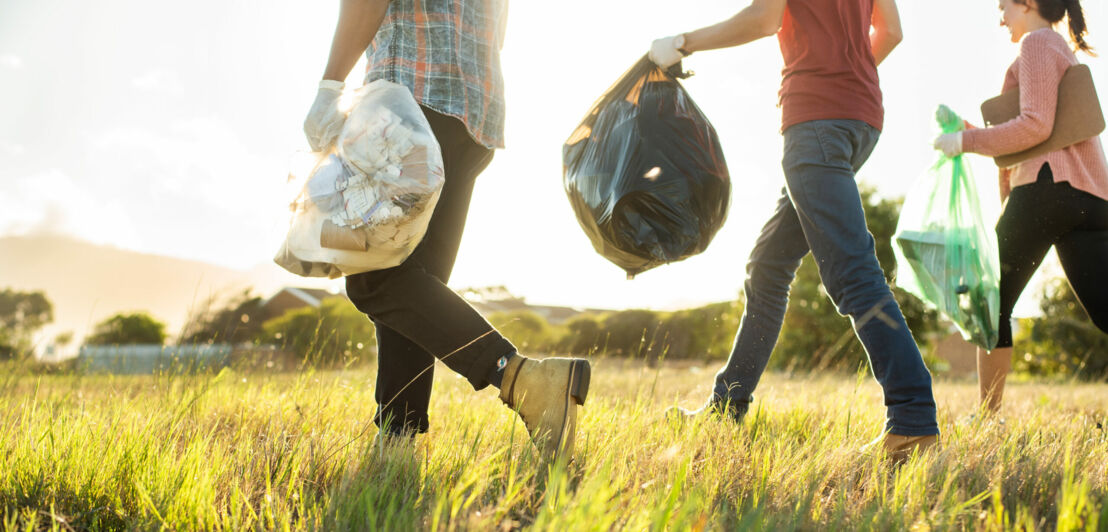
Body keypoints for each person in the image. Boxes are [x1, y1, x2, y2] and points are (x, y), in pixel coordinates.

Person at [651, 0, 940, 461]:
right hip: (860, 117)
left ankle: (912, 418)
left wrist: (682, 44)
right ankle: (728, 405)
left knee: (851, 271)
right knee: (768, 267)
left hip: (816, 121)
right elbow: (891, 32)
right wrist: (845, 71)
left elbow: (763, 19)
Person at [302, 0, 591, 458]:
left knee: (376, 278)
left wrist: (330, 85)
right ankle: (397, 443)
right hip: (475, 111)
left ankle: (523, 378)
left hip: (410, 96)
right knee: (416, 283)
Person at [933, 0, 1108, 414]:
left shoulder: (1037, 43)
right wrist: (971, 131)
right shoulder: (1057, 47)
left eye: (1003, 7)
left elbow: (1035, 125)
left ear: (1027, 3)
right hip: (1090, 199)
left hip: (1047, 189)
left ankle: (988, 421)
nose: (1000, 17)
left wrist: (966, 143)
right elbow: (1038, 127)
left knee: (988, 298)